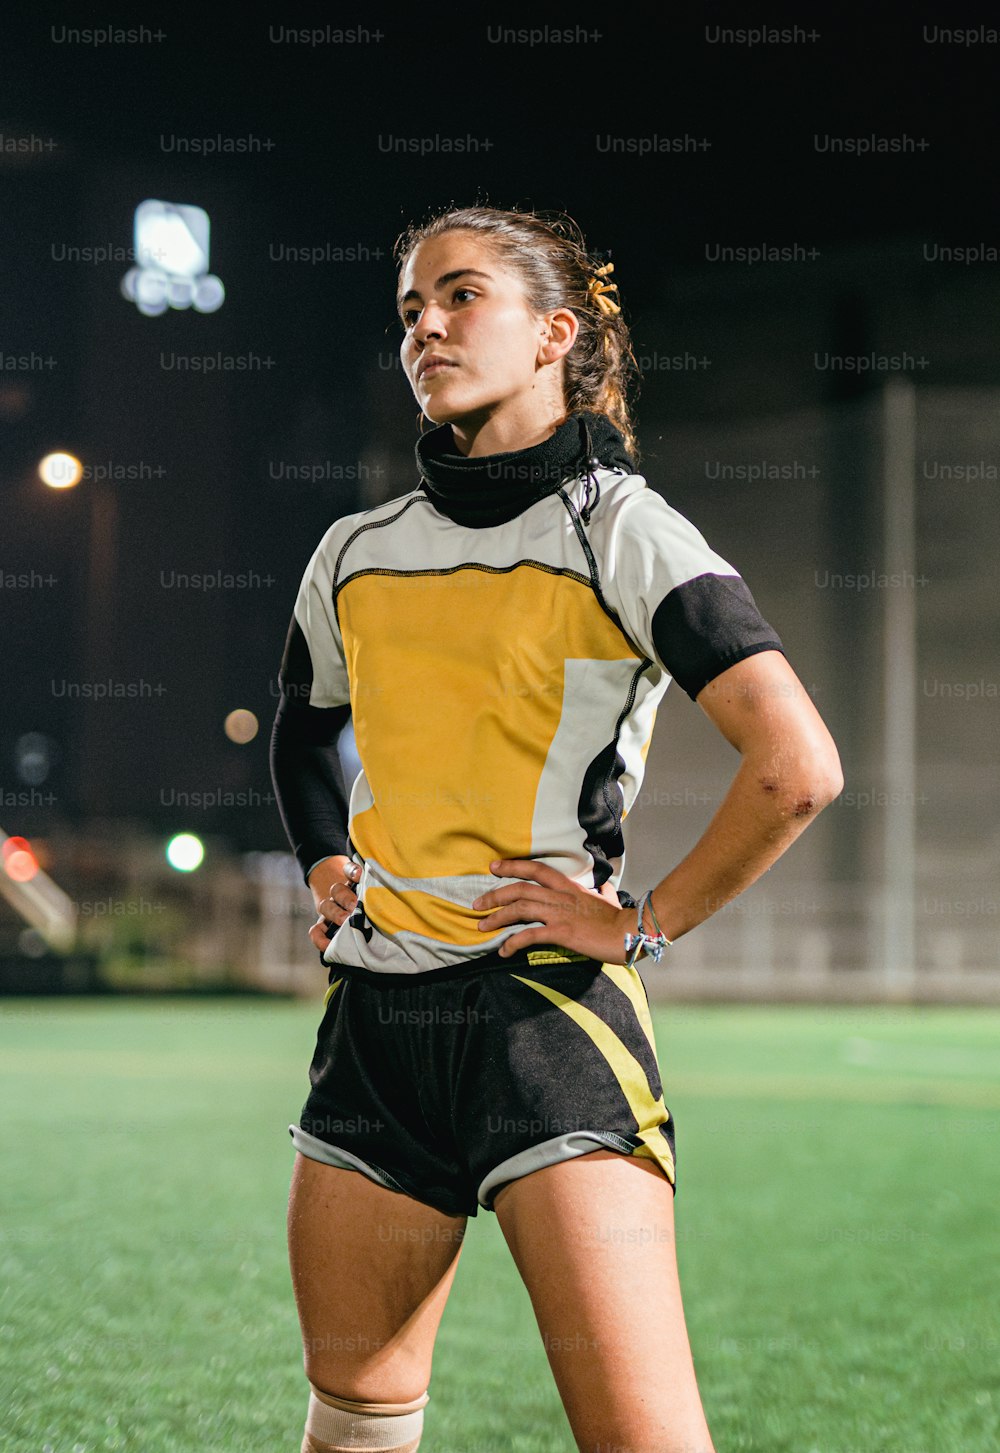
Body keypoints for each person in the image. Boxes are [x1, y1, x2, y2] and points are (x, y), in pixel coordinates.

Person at [269, 203, 844, 1453]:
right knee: (358, 1417)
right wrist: (325, 857)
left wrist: (641, 926)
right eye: (411, 307)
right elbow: (307, 727)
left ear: (553, 333)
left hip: (549, 1029)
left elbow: (796, 766)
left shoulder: (623, 530)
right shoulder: (354, 551)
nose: (426, 326)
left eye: (462, 296)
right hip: (375, 1026)